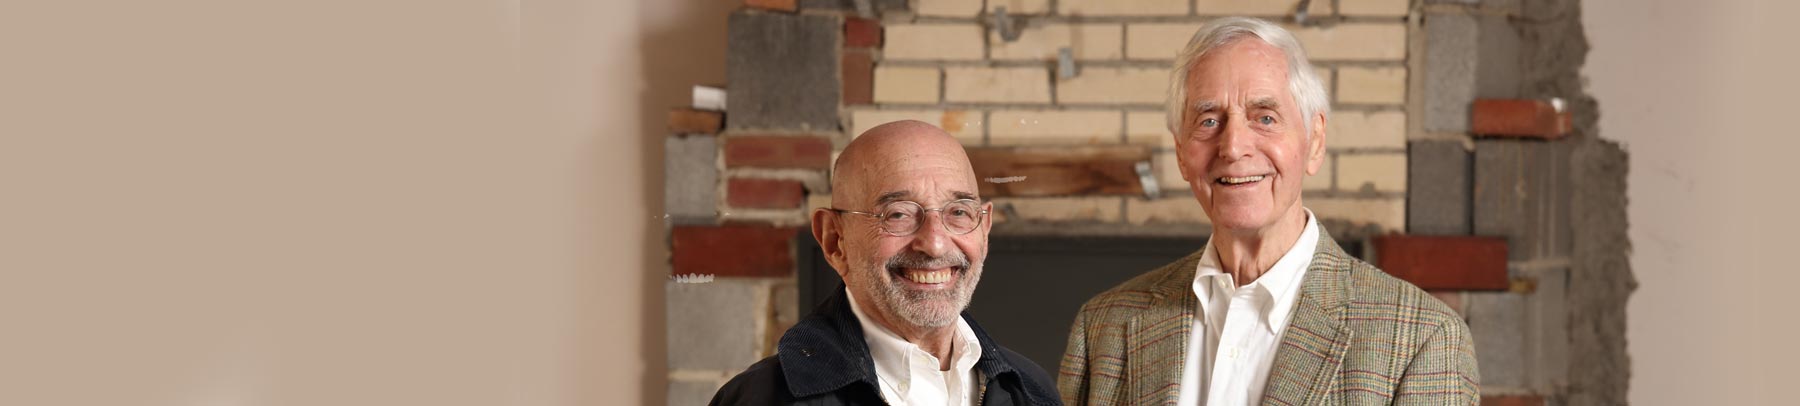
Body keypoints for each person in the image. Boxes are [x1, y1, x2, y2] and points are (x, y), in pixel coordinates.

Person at [1056, 17, 1479, 405]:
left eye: (1265, 118)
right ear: (1181, 152)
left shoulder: (1422, 339)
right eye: (1207, 121)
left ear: (1314, 142)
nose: (1234, 146)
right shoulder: (1104, 326)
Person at [711, 120, 1062, 406]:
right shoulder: (758, 399)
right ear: (835, 240)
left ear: (983, 230)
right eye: (898, 214)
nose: (935, 243)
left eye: (958, 212)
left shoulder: (1032, 390)